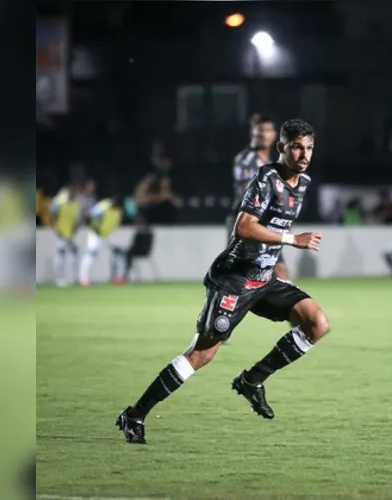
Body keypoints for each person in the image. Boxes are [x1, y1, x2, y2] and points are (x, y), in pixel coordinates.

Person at [116, 118, 329, 444]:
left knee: (317, 323)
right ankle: (135, 414)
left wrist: (278, 257)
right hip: (235, 279)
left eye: (309, 147)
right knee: (202, 354)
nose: (304, 154)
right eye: (297, 146)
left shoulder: (303, 183)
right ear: (282, 147)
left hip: (265, 280)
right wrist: (290, 239)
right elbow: (243, 228)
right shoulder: (265, 178)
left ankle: (252, 380)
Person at [228, 114, 290, 280]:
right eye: (260, 130)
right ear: (252, 133)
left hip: (266, 225)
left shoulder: (271, 162)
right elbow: (246, 196)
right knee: (244, 277)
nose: (264, 134)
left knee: (279, 271)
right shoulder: (246, 160)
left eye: (268, 130)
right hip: (248, 224)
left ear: (274, 134)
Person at [79, 195, 127, 286]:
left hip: (108, 235)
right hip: (96, 234)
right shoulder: (103, 207)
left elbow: (116, 222)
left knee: (119, 253)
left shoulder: (118, 210)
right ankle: (83, 279)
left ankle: (119, 277)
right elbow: (91, 216)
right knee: (91, 254)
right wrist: (97, 231)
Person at [49, 181, 83, 287]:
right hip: (60, 232)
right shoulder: (59, 202)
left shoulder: (76, 204)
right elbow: (52, 214)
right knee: (61, 255)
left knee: (74, 254)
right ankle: (59, 279)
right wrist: (55, 227)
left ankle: (74, 278)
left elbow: (77, 219)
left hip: (70, 234)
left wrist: (75, 228)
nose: (75, 194)